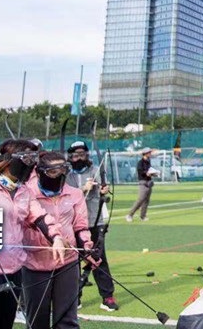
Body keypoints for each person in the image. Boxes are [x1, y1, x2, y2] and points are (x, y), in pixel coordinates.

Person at [0, 145, 68, 329]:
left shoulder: (24, 191)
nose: (30, 164)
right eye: (26, 158)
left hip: (13, 273)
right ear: (9, 161)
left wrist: (56, 238)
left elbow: (39, 216)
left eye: (33, 159)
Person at [21, 151, 97, 329]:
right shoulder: (27, 193)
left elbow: (80, 225)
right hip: (35, 263)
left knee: (67, 319)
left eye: (63, 170)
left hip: (68, 262)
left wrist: (86, 247)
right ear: (40, 172)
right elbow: (28, 221)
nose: (60, 175)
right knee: (36, 319)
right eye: (53, 172)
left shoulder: (75, 194)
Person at [66, 141, 118, 312]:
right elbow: (65, 196)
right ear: (70, 157)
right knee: (72, 262)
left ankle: (107, 296)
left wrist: (104, 190)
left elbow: (104, 188)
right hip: (73, 224)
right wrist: (82, 189)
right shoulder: (66, 175)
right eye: (75, 155)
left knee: (99, 259)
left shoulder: (96, 170)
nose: (79, 158)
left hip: (94, 221)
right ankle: (74, 298)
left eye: (82, 154)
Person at [126, 148, 156, 222]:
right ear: (145, 153)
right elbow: (140, 172)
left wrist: (154, 173)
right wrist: (146, 173)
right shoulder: (140, 162)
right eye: (149, 152)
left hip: (149, 182)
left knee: (146, 201)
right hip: (143, 182)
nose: (150, 154)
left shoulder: (148, 162)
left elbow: (150, 170)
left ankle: (143, 216)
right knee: (140, 199)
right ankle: (130, 215)